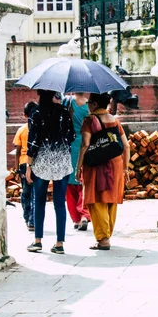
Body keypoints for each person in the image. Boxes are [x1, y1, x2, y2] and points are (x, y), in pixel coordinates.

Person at [76, 93, 130, 250]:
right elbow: (126, 146)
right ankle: (106, 235)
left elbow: (85, 145)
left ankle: (103, 238)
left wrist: (78, 166)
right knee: (111, 199)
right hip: (116, 164)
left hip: (95, 164)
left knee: (97, 199)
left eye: (89, 102)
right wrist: (126, 168)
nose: (87, 105)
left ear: (94, 104)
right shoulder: (115, 120)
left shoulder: (89, 121)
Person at [26, 90, 75, 254]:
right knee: (60, 203)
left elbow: (32, 142)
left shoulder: (35, 113)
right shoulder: (63, 112)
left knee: (39, 201)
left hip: (42, 162)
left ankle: (38, 241)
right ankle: (59, 243)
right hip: (61, 161)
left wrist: (28, 166)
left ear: (40, 95)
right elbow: (72, 136)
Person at [62, 93, 92, 231]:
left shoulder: (67, 102)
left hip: (69, 144)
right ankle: (85, 214)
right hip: (86, 143)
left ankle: (76, 219)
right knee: (84, 181)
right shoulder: (89, 105)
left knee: (69, 183)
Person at [13, 101, 38, 231]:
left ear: (24, 115)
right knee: (35, 193)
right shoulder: (40, 127)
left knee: (26, 192)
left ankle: (27, 216)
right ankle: (32, 220)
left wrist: (17, 170)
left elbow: (17, 151)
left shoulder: (22, 130)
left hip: (23, 163)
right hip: (36, 163)